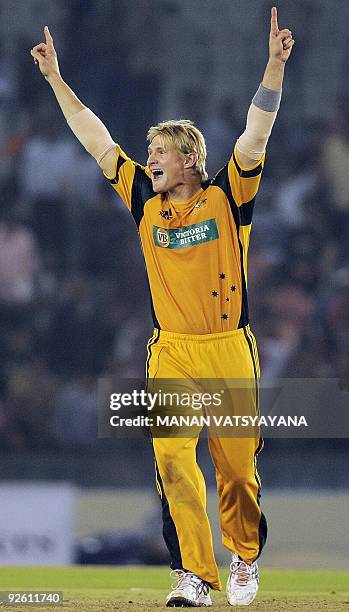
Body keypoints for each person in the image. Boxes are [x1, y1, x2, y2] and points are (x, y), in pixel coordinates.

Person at [31, 6, 294, 607]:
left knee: (236, 472)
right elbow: (96, 138)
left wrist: (274, 67)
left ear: (189, 160)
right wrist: (56, 81)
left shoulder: (228, 196)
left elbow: (255, 135)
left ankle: (244, 559)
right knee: (174, 464)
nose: (148, 158)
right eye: (148, 149)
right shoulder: (142, 202)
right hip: (170, 350)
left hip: (228, 347)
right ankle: (195, 577)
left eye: (159, 151)